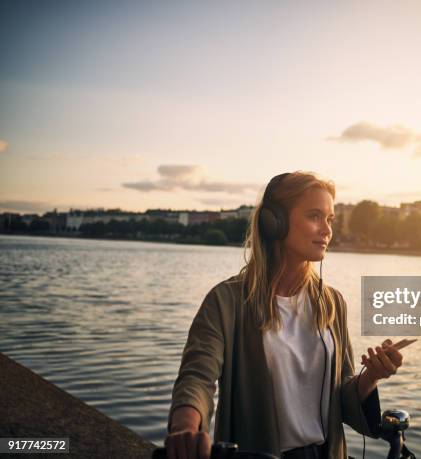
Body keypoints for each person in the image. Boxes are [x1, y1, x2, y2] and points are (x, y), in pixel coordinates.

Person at [165, 171, 406, 459]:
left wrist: (372, 376)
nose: (327, 230)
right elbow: (197, 378)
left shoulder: (333, 303)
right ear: (273, 223)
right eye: (315, 216)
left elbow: (342, 396)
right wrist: (186, 429)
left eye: (329, 219)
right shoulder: (225, 301)